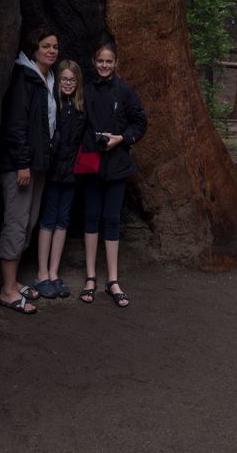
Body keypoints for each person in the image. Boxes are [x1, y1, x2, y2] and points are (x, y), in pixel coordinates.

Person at [0, 26, 59, 314]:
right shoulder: (24, 79)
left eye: (55, 47)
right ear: (34, 49)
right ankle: (7, 291)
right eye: (46, 46)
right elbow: (15, 125)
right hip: (20, 166)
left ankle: (14, 280)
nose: (51, 51)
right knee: (16, 223)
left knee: (28, 223)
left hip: (37, 166)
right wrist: (23, 162)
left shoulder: (48, 79)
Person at [80, 41, 146, 308]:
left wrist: (122, 138)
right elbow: (77, 121)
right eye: (100, 61)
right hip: (91, 164)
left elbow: (140, 122)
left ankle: (113, 280)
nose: (104, 66)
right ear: (94, 63)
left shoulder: (125, 91)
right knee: (91, 216)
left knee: (111, 219)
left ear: (116, 63)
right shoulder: (85, 91)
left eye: (109, 61)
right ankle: (90, 277)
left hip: (117, 165)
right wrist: (90, 141)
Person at [34, 60, 86, 299]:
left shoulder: (81, 107)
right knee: (48, 219)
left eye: (72, 80)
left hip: (72, 173)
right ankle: (42, 274)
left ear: (78, 82)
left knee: (62, 221)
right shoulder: (52, 103)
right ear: (59, 81)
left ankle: (54, 273)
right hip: (53, 171)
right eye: (64, 79)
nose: (68, 83)